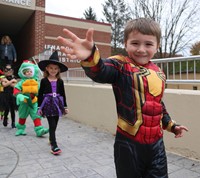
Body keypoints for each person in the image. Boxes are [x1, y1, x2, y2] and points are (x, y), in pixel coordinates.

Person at [57, 18, 188, 177]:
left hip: (156, 146)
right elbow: (101, 71)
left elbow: (157, 105)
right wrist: (90, 57)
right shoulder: (120, 65)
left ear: (157, 46)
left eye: (148, 44)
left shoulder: (159, 72)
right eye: (135, 43)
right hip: (128, 144)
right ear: (125, 43)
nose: (141, 49)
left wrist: (172, 126)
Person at [37, 50, 69, 155]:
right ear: (47, 68)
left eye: (55, 68)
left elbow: (63, 94)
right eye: (51, 68)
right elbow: (40, 94)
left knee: (55, 124)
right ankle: (54, 145)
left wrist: (65, 106)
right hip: (48, 104)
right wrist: (39, 107)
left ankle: (51, 137)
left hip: (58, 104)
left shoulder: (60, 81)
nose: (53, 70)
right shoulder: (44, 81)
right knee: (51, 124)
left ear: (59, 70)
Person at [13, 60, 49, 136]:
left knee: (36, 115)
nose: (29, 72)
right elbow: (16, 89)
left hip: (34, 102)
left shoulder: (37, 82)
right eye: (26, 71)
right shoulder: (21, 82)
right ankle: (21, 129)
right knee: (22, 115)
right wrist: (19, 95)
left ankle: (39, 130)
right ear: (23, 72)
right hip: (24, 102)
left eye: (30, 71)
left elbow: (41, 91)